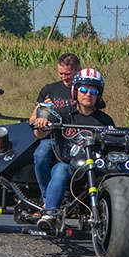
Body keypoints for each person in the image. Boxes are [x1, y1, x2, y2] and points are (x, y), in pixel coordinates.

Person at [31, 68, 115, 230]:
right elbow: (39, 134)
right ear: (75, 91)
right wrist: (41, 124)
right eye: (83, 90)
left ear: (99, 94)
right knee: (60, 169)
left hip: (94, 168)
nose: (88, 94)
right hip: (69, 167)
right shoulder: (62, 113)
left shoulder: (105, 121)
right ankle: (50, 213)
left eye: (93, 91)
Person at [29, 53, 82, 203]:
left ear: (78, 70)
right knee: (40, 154)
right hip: (53, 137)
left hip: (78, 138)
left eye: (68, 74)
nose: (64, 78)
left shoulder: (85, 91)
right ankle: (47, 197)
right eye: (61, 74)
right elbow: (32, 119)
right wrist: (43, 112)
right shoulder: (50, 90)